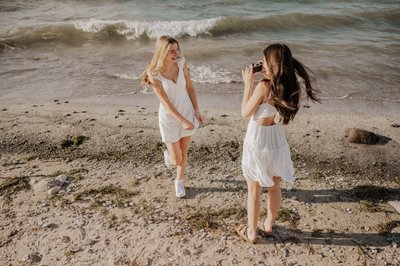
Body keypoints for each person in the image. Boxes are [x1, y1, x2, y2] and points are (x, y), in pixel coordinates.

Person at [236, 43, 320, 243]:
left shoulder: (263, 86)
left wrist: (248, 83)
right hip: (276, 139)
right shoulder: (289, 84)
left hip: (258, 139)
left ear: (272, 64)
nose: (260, 63)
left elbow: (245, 112)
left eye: (264, 60)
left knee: (254, 188)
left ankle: (252, 232)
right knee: (275, 185)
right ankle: (268, 224)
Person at [141, 35, 203, 198]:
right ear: (162, 53)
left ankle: (179, 181)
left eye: (177, 50)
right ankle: (169, 157)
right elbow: (165, 101)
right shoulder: (153, 73)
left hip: (187, 112)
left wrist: (196, 110)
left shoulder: (182, 63)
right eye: (171, 51)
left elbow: (190, 86)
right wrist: (181, 120)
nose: (176, 54)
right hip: (169, 118)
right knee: (176, 159)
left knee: (184, 152)